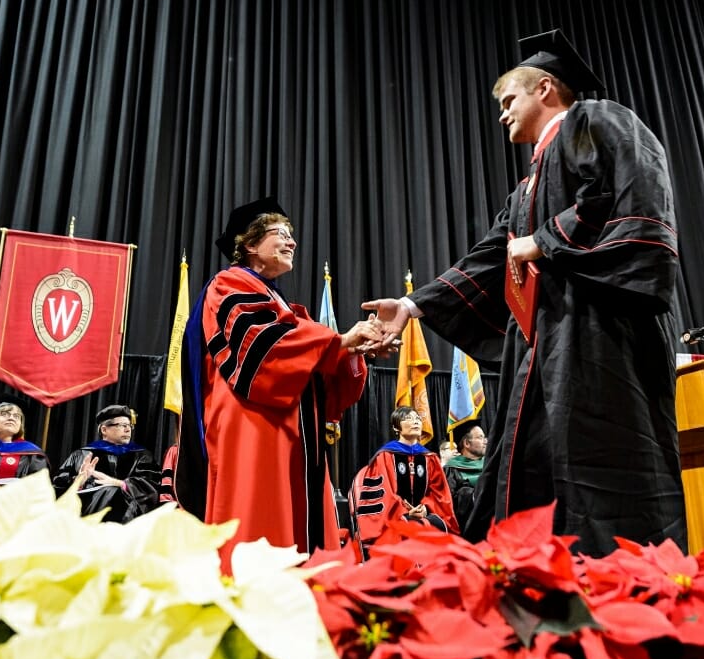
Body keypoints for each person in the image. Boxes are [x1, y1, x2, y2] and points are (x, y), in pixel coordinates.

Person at [362, 29, 686, 556]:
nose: (502, 114)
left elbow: (627, 198)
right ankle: (537, 592)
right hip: (541, 345)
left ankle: (625, 598)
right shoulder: (526, 187)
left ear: (546, 88)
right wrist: (413, 305)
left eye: (508, 100)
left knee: (609, 462)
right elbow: (492, 256)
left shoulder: (599, 119)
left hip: (601, 332)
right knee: (529, 468)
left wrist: (543, 240)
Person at [180, 196, 381, 562]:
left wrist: (354, 349)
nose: (292, 241)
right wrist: (337, 341)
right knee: (259, 523)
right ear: (250, 244)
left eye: (292, 234)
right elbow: (260, 346)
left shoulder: (278, 301)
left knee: (295, 525)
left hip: (288, 429)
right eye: (280, 233)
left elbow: (309, 357)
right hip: (254, 424)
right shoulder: (230, 284)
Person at [350, 406, 459, 557]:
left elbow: (439, 494)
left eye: (417, 419)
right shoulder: (385, 456)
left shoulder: (429, 458)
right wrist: (405, 511)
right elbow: (384, 494)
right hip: (394, 517)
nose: (415, 422)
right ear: (396, 427)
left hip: (425, 516)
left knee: (437, 528)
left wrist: (426, 508)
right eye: (408, 418)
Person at [52, 405, 160, 523]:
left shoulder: (142, 456)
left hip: (127, 524)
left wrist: (120, 484)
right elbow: (56, 488)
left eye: (129, 425)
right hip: (87, 522)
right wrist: (78, 481)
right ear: (104, 430)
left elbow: (152, 486)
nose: (128, 429)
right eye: (122, 425)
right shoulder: (82, 455)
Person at [444, 420, 486, 531]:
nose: (485, 441)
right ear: (467, 443)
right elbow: (451, 502)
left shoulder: (491, 464)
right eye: (480, 437)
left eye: (484, 437)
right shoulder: (451, 469)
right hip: (471, 524)